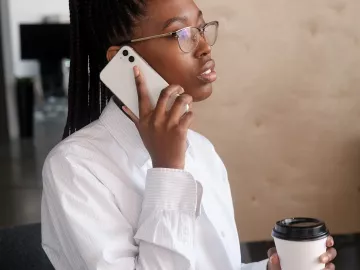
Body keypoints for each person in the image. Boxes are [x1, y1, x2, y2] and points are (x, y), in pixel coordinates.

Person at [41, 0, 337, 269]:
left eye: (201, 27)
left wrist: (270, 269)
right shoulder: (74, 168)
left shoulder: (201, 150)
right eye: (179, 34)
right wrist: (168, 171)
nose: (204, 46)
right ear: (123, 58)